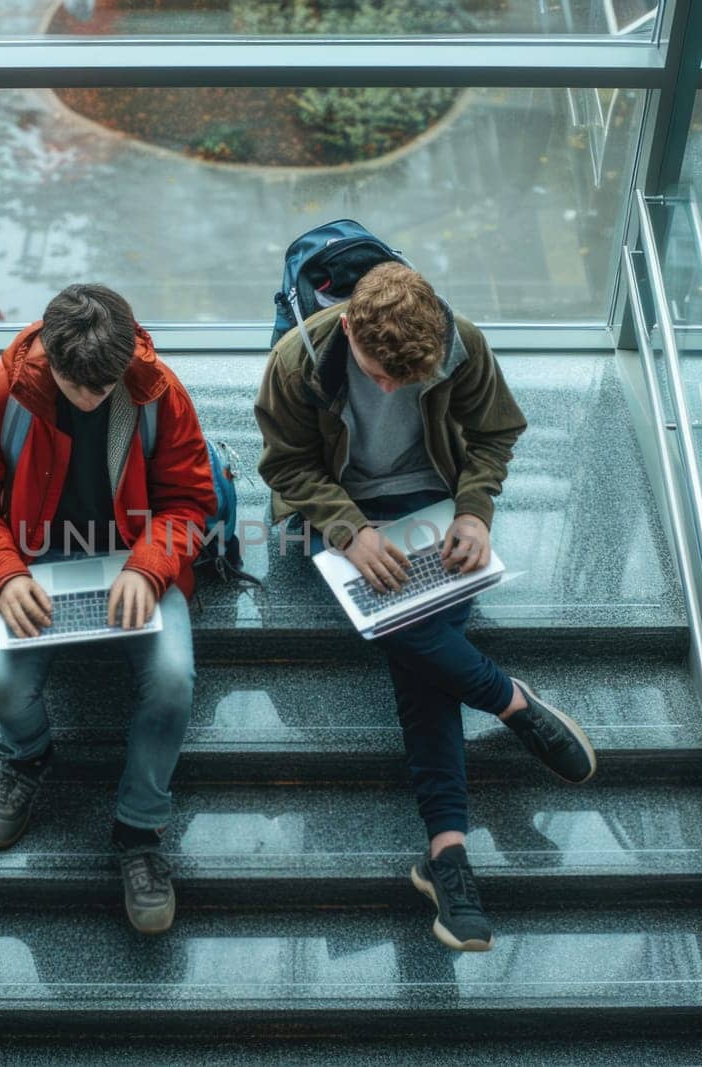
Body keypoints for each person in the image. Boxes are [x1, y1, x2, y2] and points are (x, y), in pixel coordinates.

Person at [253, 262, 596, 952]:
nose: (387, 387)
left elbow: (496, 432)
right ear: (347, 326)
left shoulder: (459, 342)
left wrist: (474, 511)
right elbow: (287, 466)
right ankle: (509, 702)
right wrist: (349, 530)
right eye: (376, 372)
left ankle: (447, 853)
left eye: (403, 380)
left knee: (414, 643)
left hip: (430, 499)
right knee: (406, 617)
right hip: (339, 503)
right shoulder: (297, 362)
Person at [0, 283, 215, 935]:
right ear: (47, 359)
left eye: (103, 386)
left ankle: (139, 829)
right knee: (3, 683)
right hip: (31, 562)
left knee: (173, 681)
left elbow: (188, 500)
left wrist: (149, 566)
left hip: (133, 555)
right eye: (75, 386)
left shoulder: (157, 391)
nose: (90, 398)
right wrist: (2, 576)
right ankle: (27, 755)